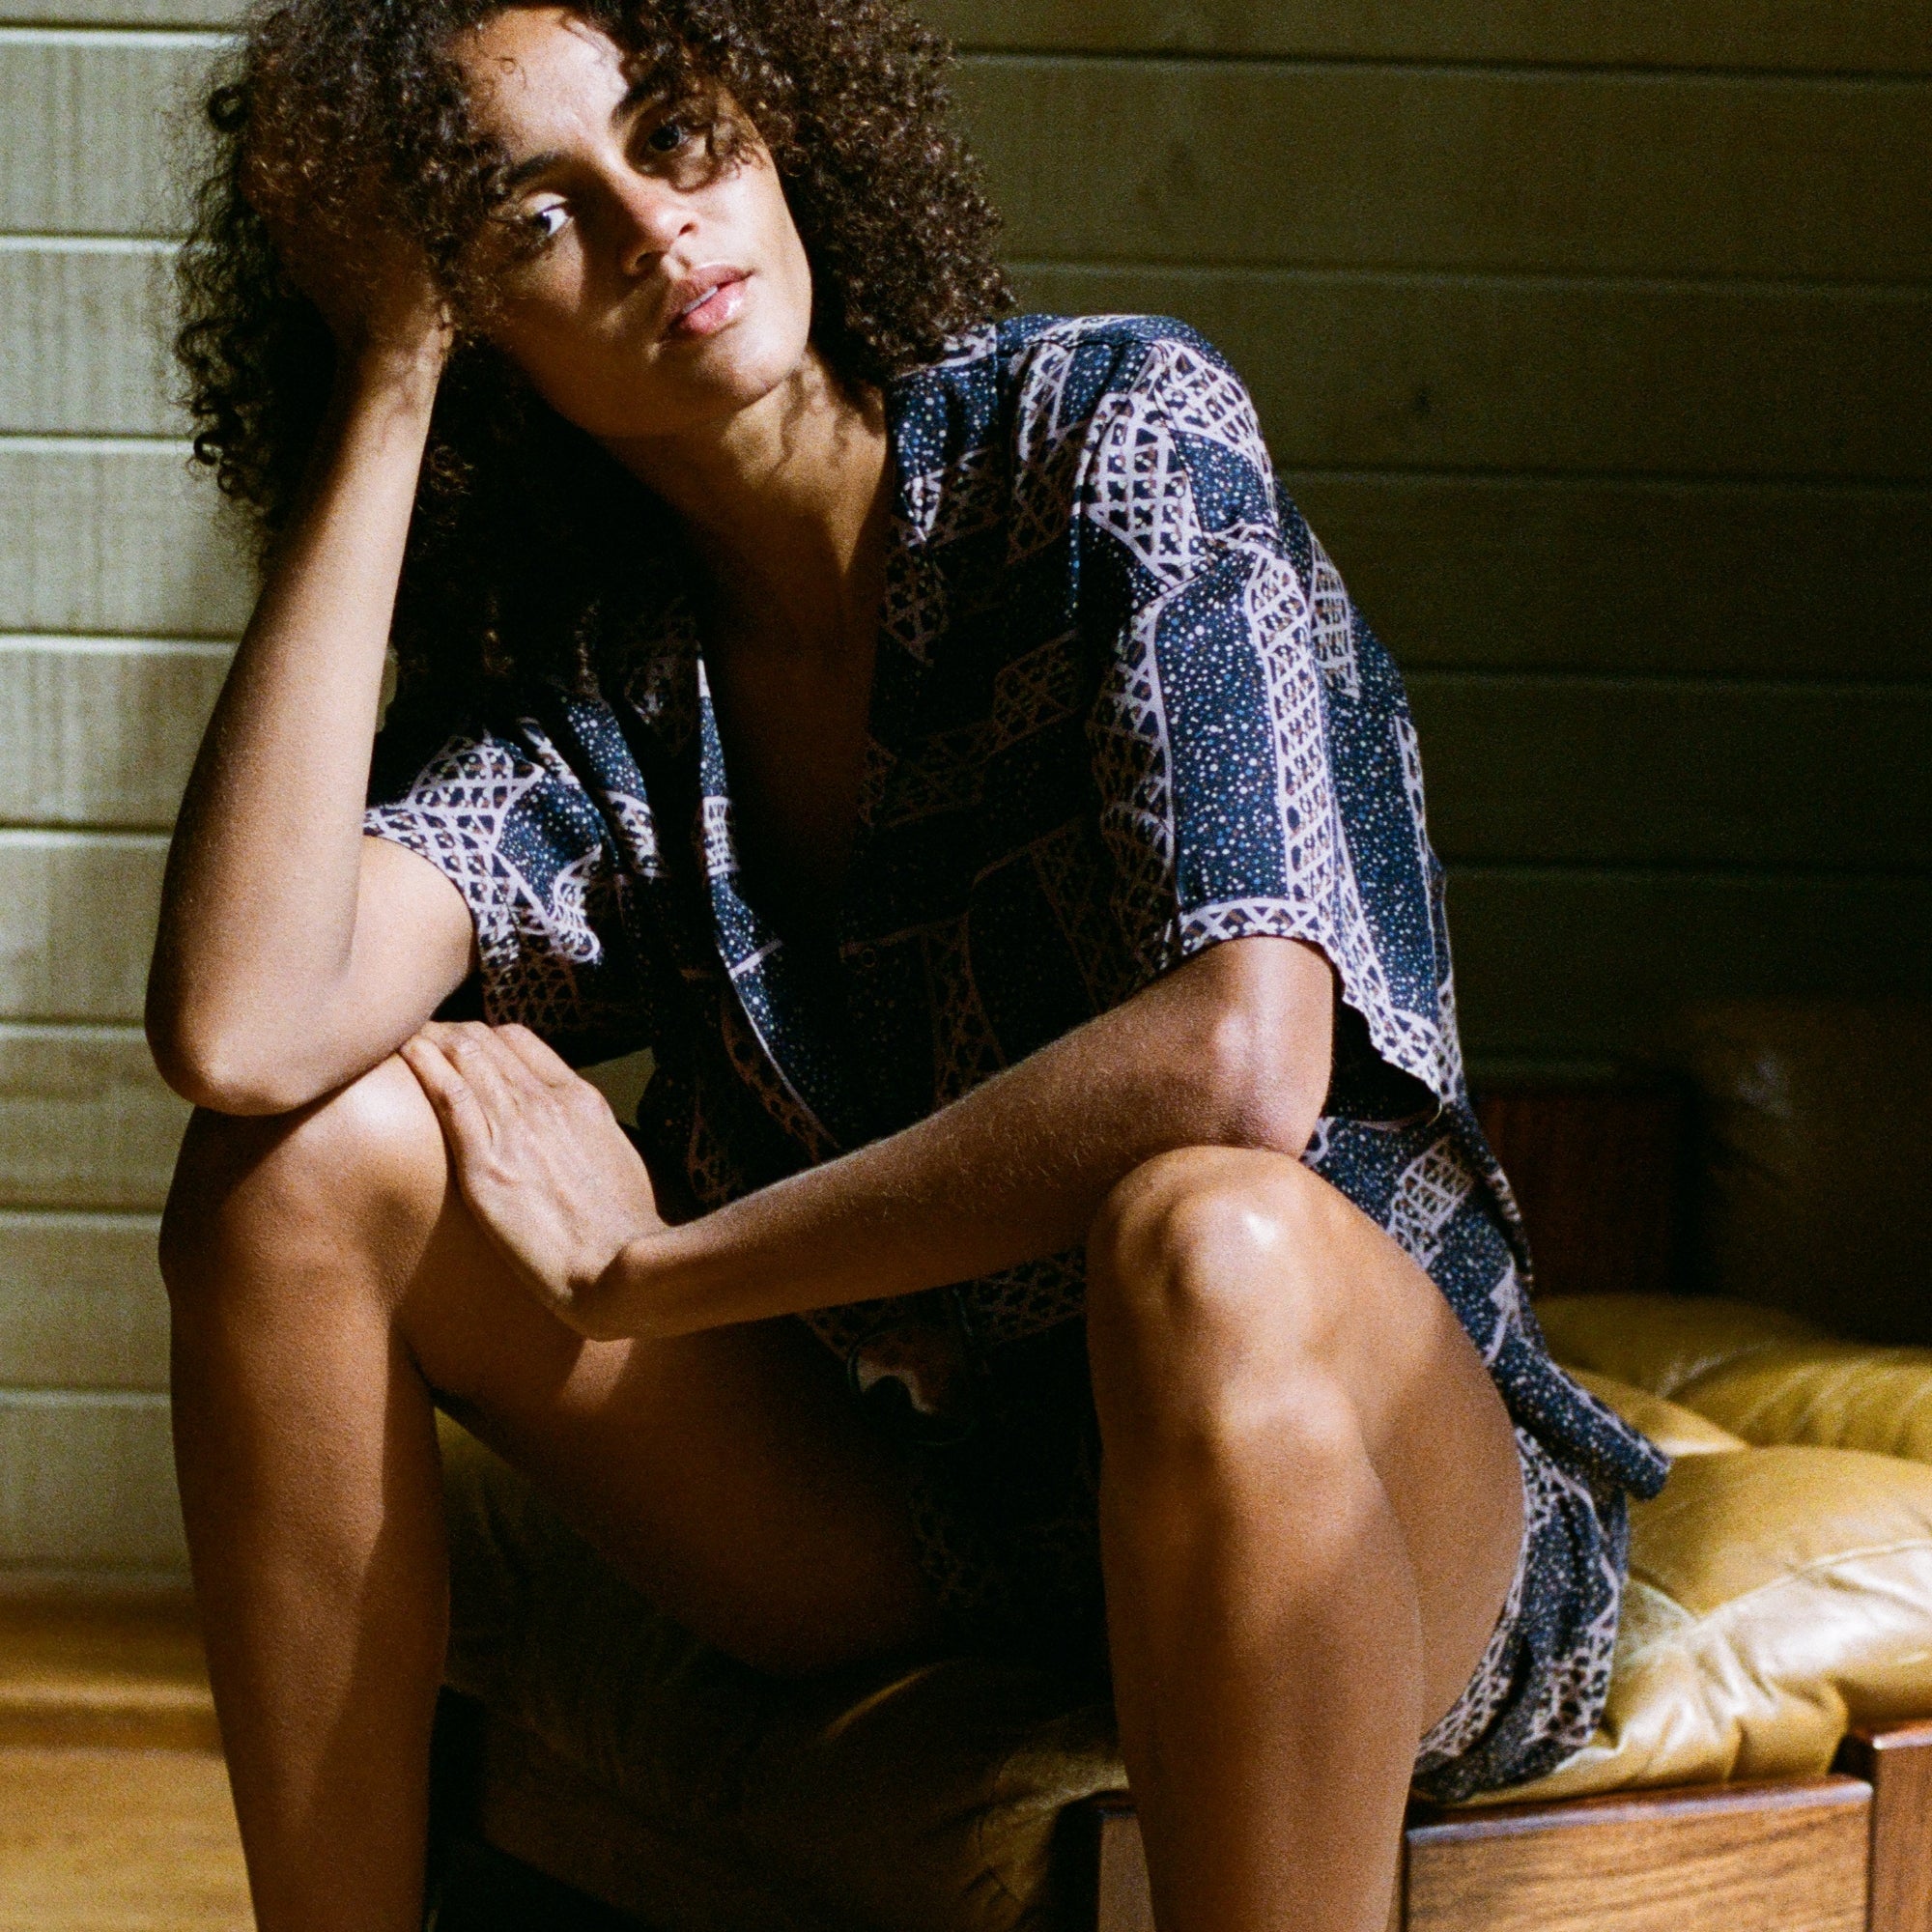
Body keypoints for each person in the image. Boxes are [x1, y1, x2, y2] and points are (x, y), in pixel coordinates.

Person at [148, 2, 1668, 1927]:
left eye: (674, 131)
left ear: (782, 119)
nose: (652, 226)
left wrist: (657, 1272)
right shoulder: (613, 686)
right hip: (950, 1513)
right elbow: (245, 1023)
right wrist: (388, 372)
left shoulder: (1108, 434)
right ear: (483, 332)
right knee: (291, 1166)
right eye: (532, 223)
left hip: (1354, 1467)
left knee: (1207, 1240)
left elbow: (1237, 1064)